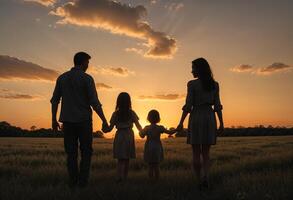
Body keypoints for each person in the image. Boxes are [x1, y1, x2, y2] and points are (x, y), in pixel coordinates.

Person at [50, 52, 108, 188]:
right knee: (86, 152)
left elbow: (54, 101)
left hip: (67, 122)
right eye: (87, 62)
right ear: (82, 62)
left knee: (71, 154)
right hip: (84, 122)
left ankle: (73, 182)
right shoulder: (87, 79)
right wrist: (104, 120)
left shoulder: (62, 78)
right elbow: (94, 102)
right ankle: (82, 183)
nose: (88, 65)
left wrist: (53, 119)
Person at [177, 58, 224, 190]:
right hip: (209, 117)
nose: (191, 71)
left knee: (196, 152)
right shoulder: (215, 84)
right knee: (206, 153)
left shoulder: (192, 84)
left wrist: (181, 122)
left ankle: (199, 180)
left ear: (199, 69)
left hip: (196, 117)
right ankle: (206, 177)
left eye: (193, 68)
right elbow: (218, 106)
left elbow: (188, 105)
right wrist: (221, 123)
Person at [103, 92, 142, 182]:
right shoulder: (132, 113)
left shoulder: (115, 114)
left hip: (119, 135)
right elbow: (138, 126)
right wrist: (145, 133)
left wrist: (104, 128)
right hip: (129, 135)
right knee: (127, 158)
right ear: (129, 102)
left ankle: (119, 177)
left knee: (120, 159)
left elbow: (109, 129)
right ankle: (124, 178)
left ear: (118, 102)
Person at [139, 110, 177, 180]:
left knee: (150, 166)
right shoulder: (160, 128)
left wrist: (140, 130)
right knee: (156, 166)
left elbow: (141, 136)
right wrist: (177, 129)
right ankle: (157, 180)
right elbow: (170, 132)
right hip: (157, 147)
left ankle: (151, 181)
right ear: (158, 118)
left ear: (148, 118)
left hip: (149, 147)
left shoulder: (147, 128)